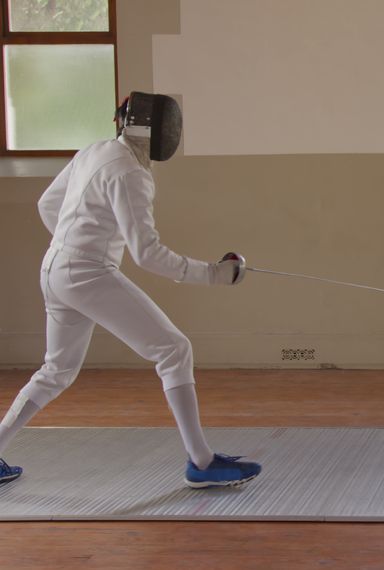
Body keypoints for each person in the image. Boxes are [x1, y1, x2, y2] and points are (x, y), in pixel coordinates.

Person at [0, 92, 261, 488]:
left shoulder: (95, 151)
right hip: (86, 274)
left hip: (54, 268)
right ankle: (202, 462)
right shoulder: (131, 174)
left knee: (56, 370)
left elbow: (46, 204)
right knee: (174, 350)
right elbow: (147, 254)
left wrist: (75, 245)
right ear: (154, 129)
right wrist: (215, 275)